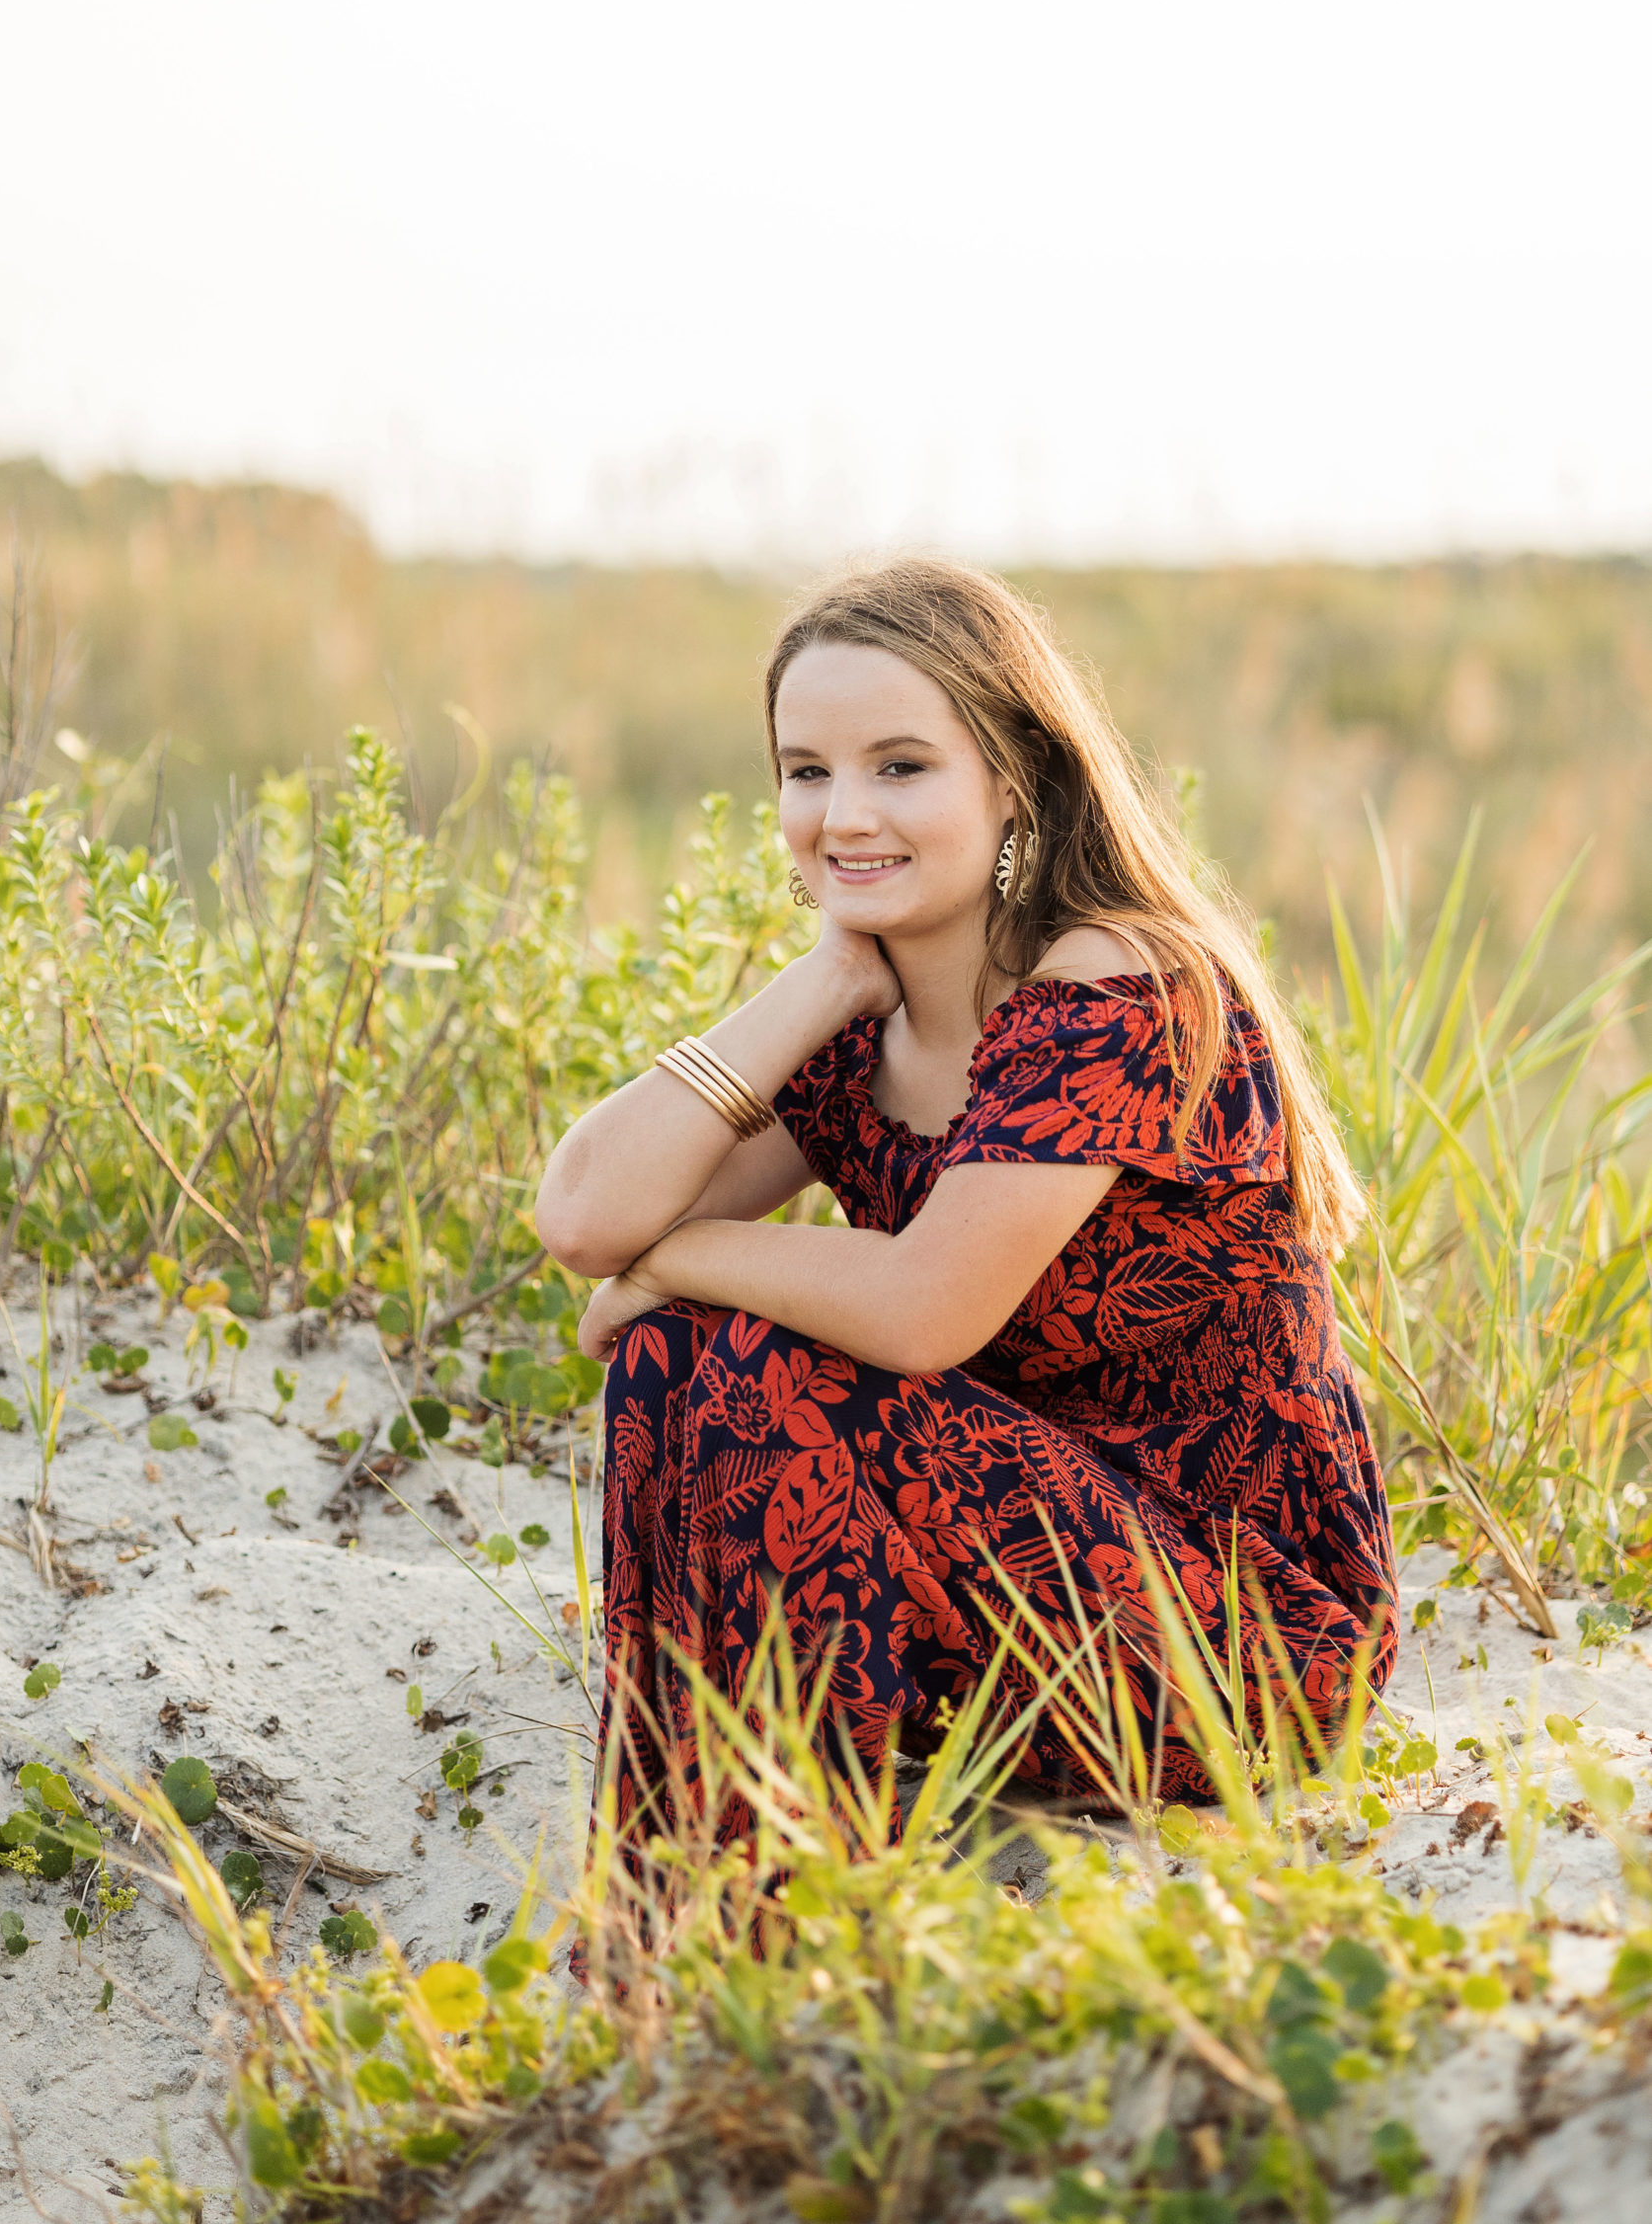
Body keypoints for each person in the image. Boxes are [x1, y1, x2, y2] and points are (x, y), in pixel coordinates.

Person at [535, 559, 1396, 1856]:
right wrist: (818, 984)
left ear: (1013, 781)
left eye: (899, 767)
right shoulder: (856, 1026)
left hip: (1238, 1640)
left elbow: (926, 1309)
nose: (841, 813)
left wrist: (694, 1256)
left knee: (752, 1348)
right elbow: (586, 1215)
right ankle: (711, 1887)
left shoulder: (1121, 986)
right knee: (679, 1352)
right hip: (998, 1587)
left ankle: (786, 1891)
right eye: (805, 771)